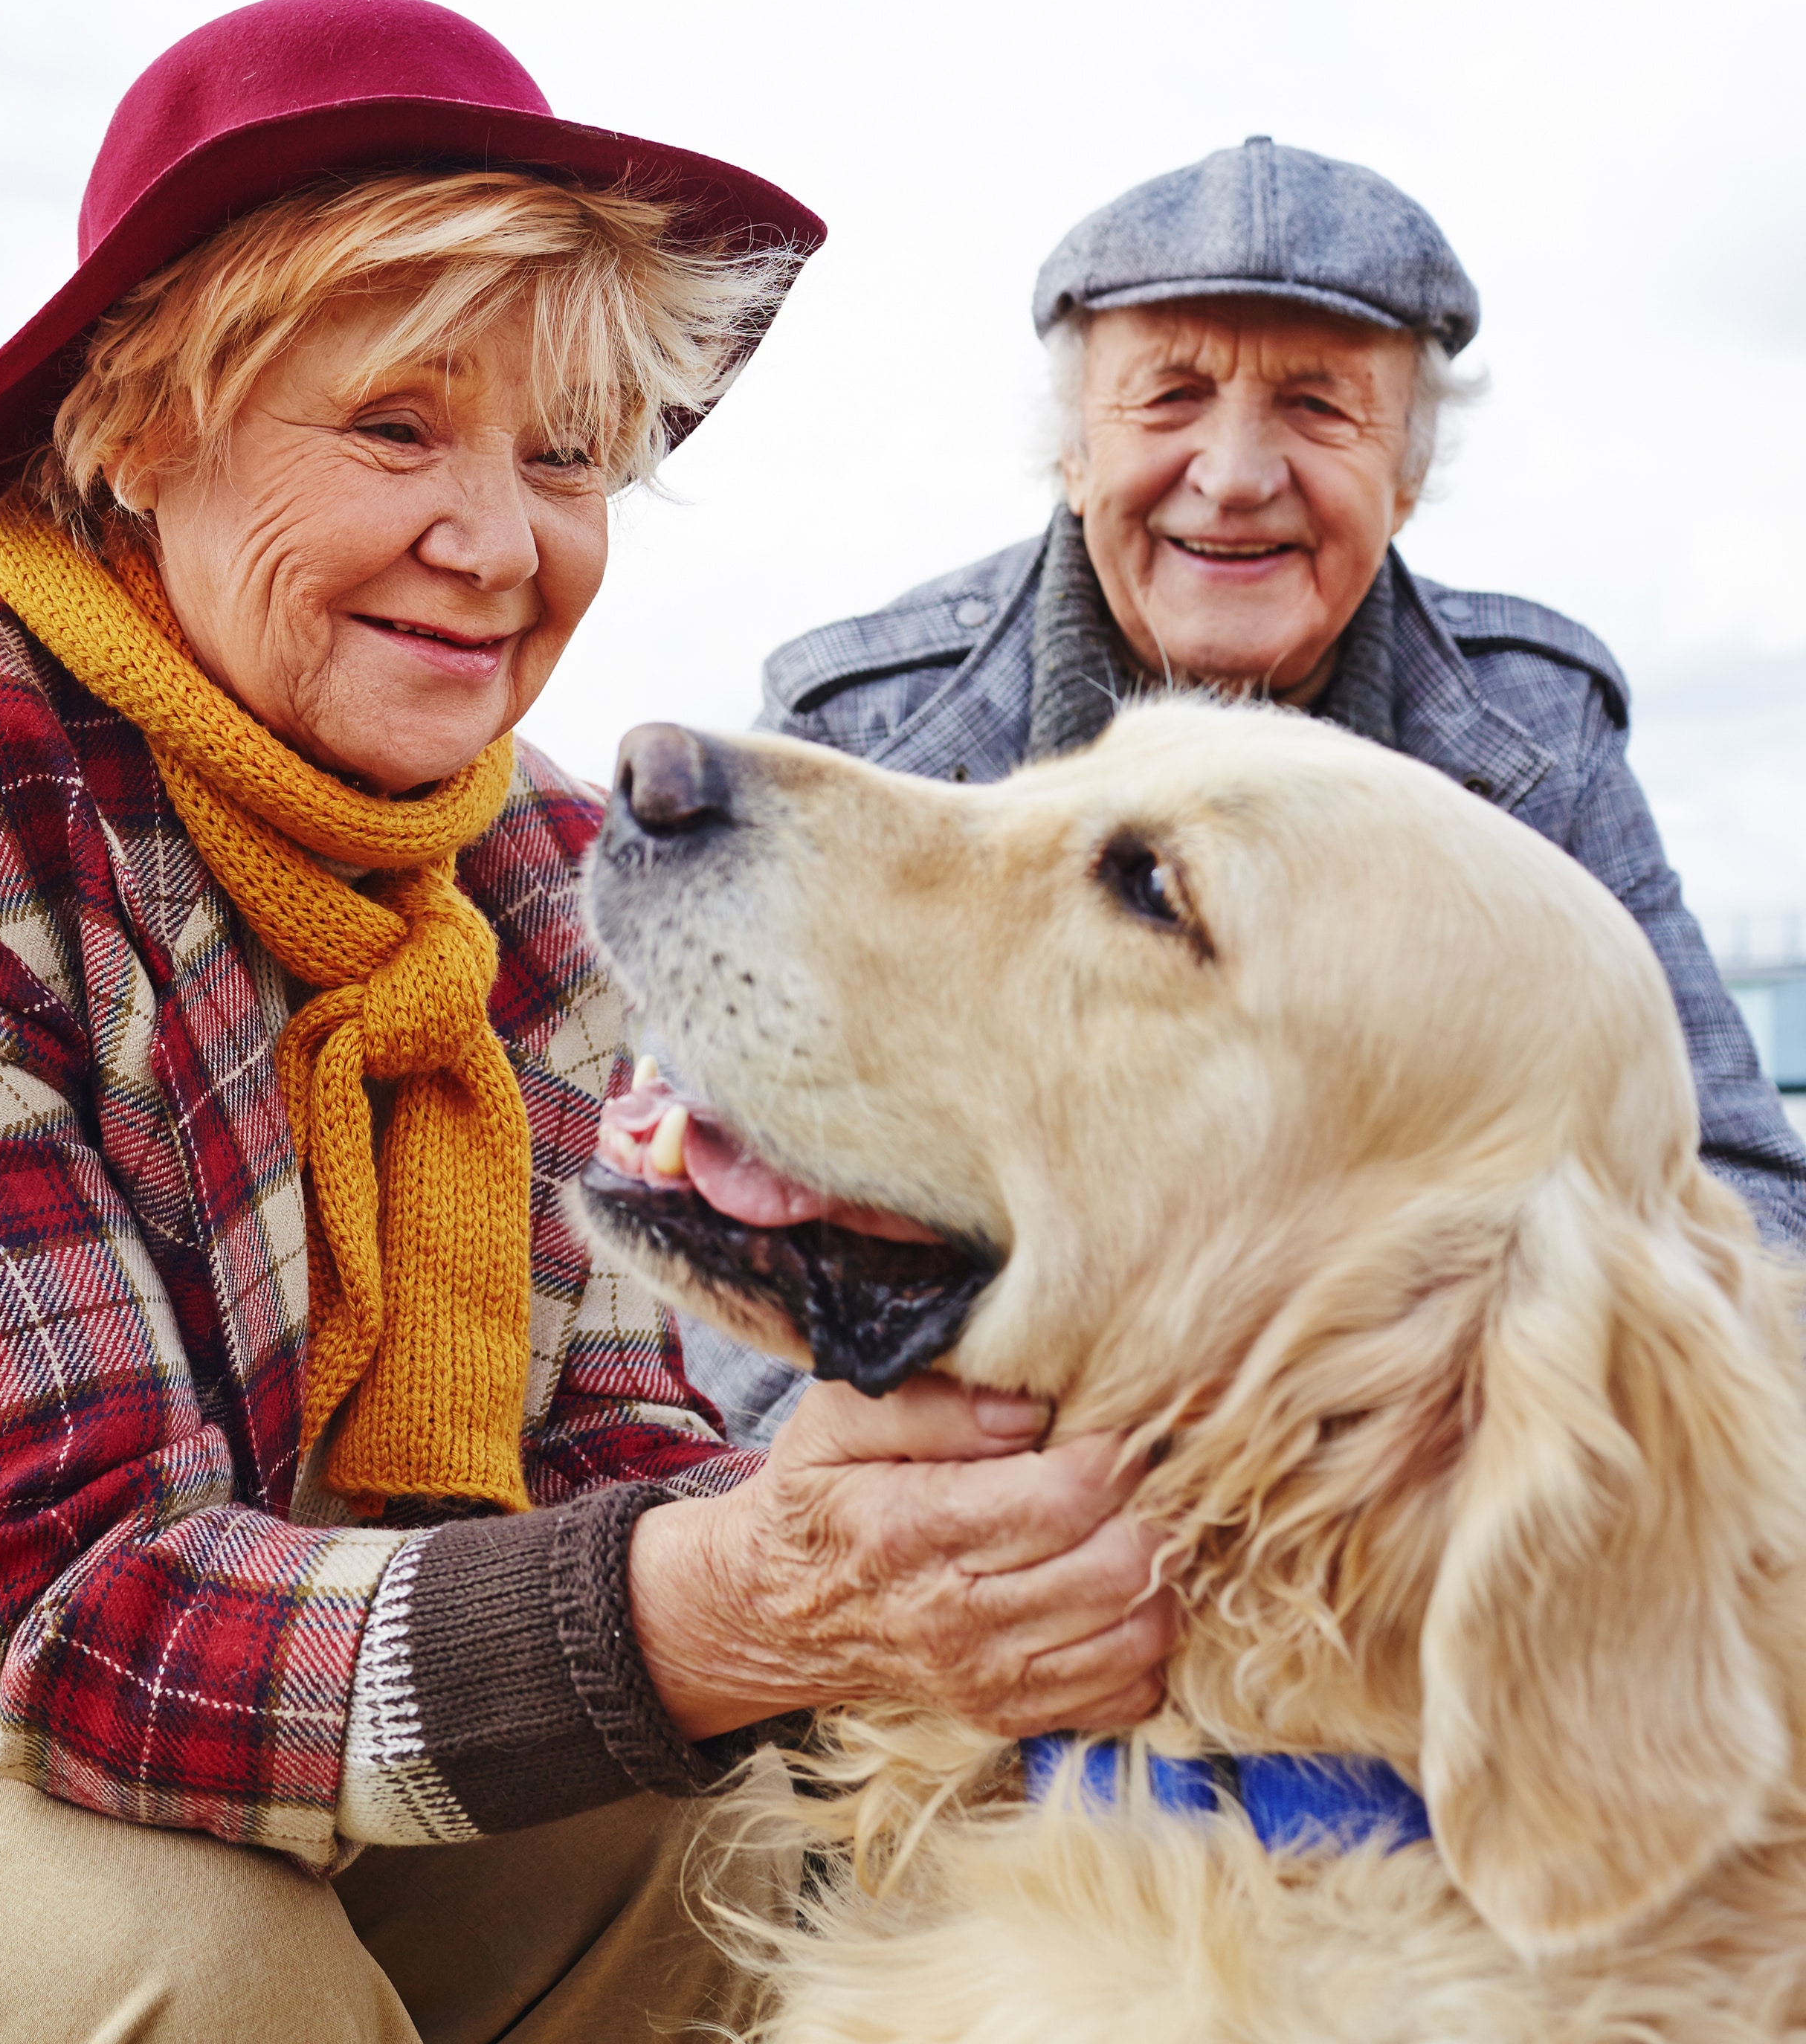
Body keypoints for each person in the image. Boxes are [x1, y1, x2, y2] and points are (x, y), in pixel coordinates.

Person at [0, 0, 1176, 2044]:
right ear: (141, 419)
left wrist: (865, 1529)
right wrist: (745, 1591)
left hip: (188, 1681)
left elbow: (601, 1435)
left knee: (749, 1813)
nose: (500, 545)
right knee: (195, 1976)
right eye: (396, 428)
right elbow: (69, 1619)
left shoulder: (536, 862)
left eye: (569, 458)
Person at [679, 138, 1806, 1445]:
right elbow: (710, 1221)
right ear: (1072, 452)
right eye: (1167, 399)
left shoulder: (1538, 737)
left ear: (1410, 471)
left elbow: (1738, 1200)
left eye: (1320, 407)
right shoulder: (861, 728)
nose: (1234, 473)